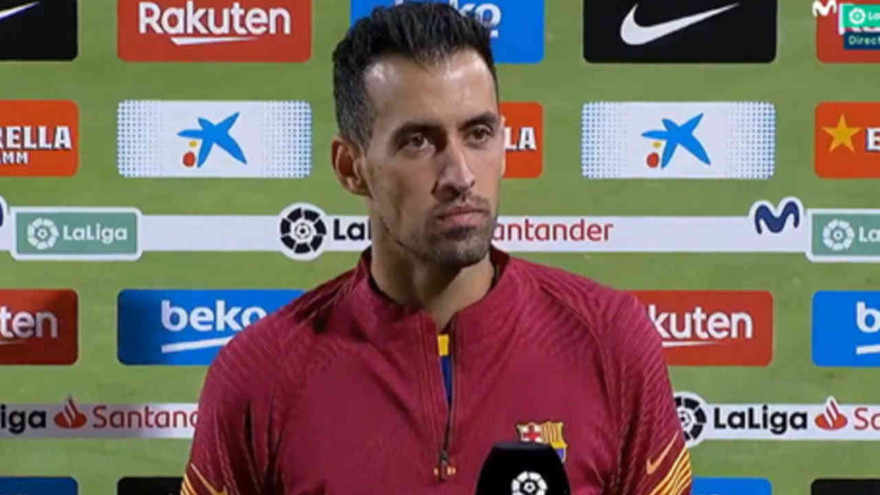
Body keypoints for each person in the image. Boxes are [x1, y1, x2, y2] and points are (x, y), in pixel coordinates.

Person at [180, 3, 692, 494]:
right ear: (351, 168)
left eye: (478, 133)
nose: (460, 175)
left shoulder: (610, 341)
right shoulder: (261, 375)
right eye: (419, 141)